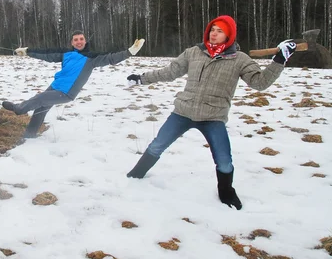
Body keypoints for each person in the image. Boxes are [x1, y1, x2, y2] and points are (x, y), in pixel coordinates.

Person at [125, 15, 296, 210]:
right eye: (212, 29)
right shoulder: (194, 52)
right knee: (157, 145)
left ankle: (226, 192)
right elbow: (169, 72)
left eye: (219, 31)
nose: (214, 33)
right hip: (183, 111)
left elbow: (260, 83)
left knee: (224, 161)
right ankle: (135, 175)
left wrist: (279, 60)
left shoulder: (239, 60)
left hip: (213, 117)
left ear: (229, 35)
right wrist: (141, 78)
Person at [2, 31, 145, 138]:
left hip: (66, 93)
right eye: (75, 40)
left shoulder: (92, 58)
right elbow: (47, 53)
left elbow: (111, 58)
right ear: (72, 43)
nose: (79, 42)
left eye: (81, 39)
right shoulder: (66, 54)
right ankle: (29, 135)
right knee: (41, 109)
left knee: (39, 99)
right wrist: (28, 52)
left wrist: (130, 52)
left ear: (85, 41)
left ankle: (19, 108)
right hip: (55, 87)